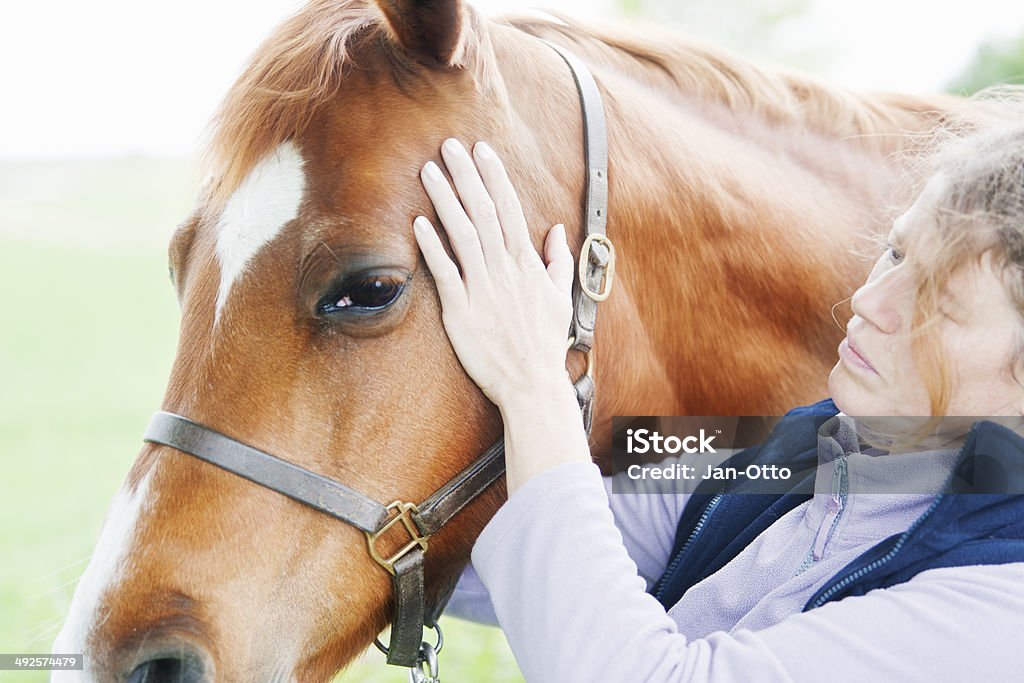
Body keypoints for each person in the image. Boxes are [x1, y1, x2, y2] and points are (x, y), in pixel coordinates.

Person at [409, 123, 1024, 682]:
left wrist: (533, 384)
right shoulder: (815, 449)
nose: (871, 301)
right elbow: (506, 543)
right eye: (895, 253)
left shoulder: (1002, 611)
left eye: (938, 302)